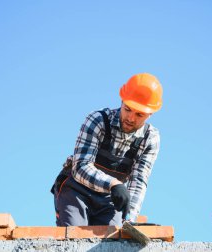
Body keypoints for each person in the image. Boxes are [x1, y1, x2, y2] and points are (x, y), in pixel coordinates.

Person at [51, 73, 163, 227]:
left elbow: (138, 182)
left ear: (150, 114)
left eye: (139, 114)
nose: (130, 118)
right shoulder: (98, 120)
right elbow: (81, 166)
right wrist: (113, 184)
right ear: (122, 100)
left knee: (111, 242)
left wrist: (129, 220)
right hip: (76, 191)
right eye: (128, 109)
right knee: (75, 239)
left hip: (109, 199)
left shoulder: (150, 138)